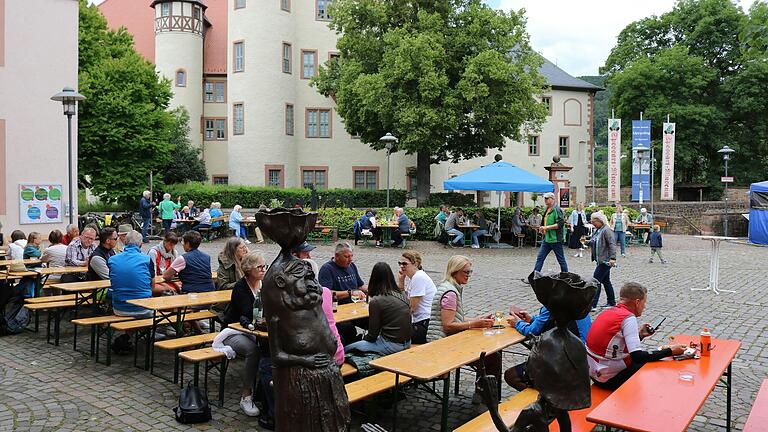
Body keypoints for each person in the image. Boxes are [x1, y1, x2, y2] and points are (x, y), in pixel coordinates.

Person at [586, 282, 686, 390]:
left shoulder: (609, 312)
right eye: (644, 302)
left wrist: (641, 335)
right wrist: (670, 351)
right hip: (610, 379)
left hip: (595, 374)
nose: (645, 306)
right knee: (658, 364)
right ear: (637, 302)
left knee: (653, 355)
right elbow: (638, 357)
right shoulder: (628, 318)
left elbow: (613, 346)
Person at [426, 255, 500, 402]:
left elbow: (455, 318)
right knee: (492, 358)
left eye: (470, 272)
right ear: (455, 272)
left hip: (447, 341)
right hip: (442, 344)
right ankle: (484, 396)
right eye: (466, 272)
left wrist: (480, 320)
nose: (468, 275)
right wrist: (475, 324)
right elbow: (448, 326)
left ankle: (482, 393)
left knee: (491, 355)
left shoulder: (450, 288)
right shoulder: (451, 293)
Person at [219, 252, 268, 417]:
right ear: (248, 269)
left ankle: (265, 391)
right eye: (259, 267)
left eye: (264, 266)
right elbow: (248, 313)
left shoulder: (263, 284)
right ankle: (246, 396)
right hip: (233, 331)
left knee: (272, 346)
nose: (263, 270)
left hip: (255, 330)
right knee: (253, 350)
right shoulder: (241, 287)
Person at [504, 305, 592, 390]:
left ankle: (546, 400)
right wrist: (532, 320)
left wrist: (518, 323)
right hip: (585, 362)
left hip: (569, 365)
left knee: (511, 375)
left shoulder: (554, 302)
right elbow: (549, 322)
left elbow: (532, 331)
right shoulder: (579, 300)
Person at [346, 262, 412, 355]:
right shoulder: (401, 294)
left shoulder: (377, 301)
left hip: (391, 345)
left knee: (346, 349)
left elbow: (372, 336)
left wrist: (362, 341)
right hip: (407, 342)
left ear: (373, 279)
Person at [318, 243, 368, 344]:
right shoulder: (327, 269)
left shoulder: (352, 266)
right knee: (348, 330)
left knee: (373, 321)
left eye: (351, 256)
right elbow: (327, 293)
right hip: (338, 310)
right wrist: (350, 293)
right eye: (346, 256)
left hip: (355, 308)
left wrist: (377, 288)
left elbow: (360, 285)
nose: (350, 259)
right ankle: (349, 349)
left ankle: (368, 344)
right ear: (336, 256)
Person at [109, 230, 160, 319]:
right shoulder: (147, 259)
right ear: (141, 244)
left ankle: (130, 333)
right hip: (144, 308)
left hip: (120, 309)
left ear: (125, 242)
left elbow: (113, 281)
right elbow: (152, 285)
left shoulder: (112, 260)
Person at [397, 251, 436, 344]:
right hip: (420, 321)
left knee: (391, 334)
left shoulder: (419, 277)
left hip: (425, 324)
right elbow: (404, 301)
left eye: (404, 263)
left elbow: (411, 308)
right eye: (400, 263)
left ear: (415, 264)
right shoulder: (414, 278)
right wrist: (401, 282)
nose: (401, 266)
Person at [531, 192, 568, 275]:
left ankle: (566, 276)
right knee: (540, 257)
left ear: (552, 199)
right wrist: (541, 228)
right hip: (547, 239)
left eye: (547, 198)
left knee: (561, 259)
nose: (545, 200)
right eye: (545, 198)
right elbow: (545, 222)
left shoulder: (557, 209)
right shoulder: (547, 209)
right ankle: (535, 276)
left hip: (556, 239)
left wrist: (546, 227)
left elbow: (560, 224)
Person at [589, 211, 617, 310]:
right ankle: (612, 302)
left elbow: (612, 244)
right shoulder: (598, 230)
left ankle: (593, 304)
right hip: (600, 260)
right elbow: (594, 240)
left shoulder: (606, 230)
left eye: (594, 222)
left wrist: (613, 258)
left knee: (595, 281)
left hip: (606, 261)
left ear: (600, 221)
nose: (593, 224)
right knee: (606, 281)